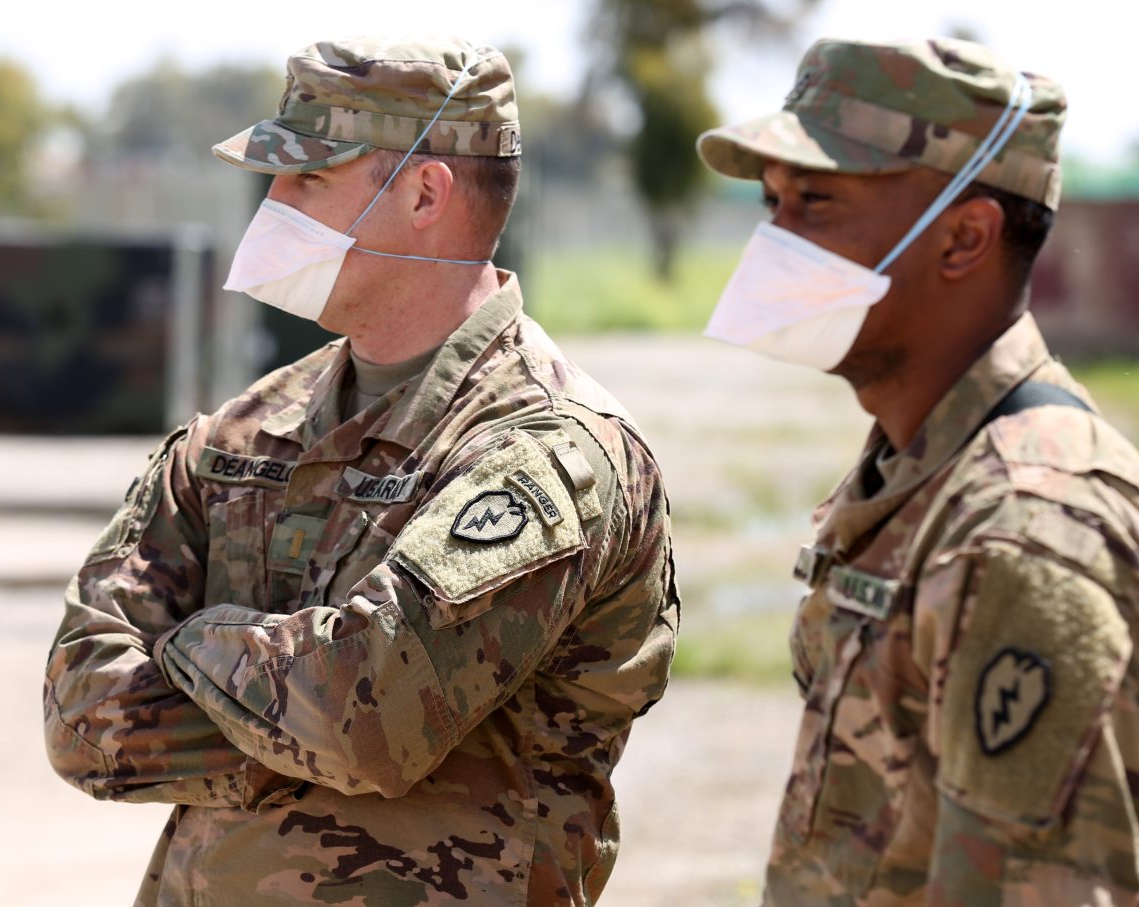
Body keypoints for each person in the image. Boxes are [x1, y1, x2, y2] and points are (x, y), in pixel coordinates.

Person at [44, 36, 679, 906]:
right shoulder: (243, 430)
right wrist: (296, 701)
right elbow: (83, 714)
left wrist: (189, 641)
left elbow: (366, 718)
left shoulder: (549, 453)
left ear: (425, 191)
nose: (271, 205)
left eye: (307, 178)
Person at [695, 37, 1139, 905]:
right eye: (772, 202)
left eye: (816, 202)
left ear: (963, 238)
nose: (775, 239)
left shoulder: (1027, 533)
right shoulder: (922, 466)